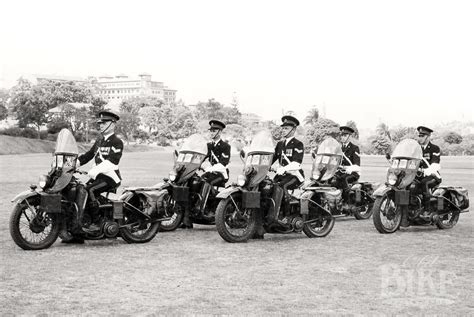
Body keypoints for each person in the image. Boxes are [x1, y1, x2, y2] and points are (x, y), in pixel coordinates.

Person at [253, 115, 304, 239]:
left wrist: (283, 168)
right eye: (283, 128)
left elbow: (297, 163)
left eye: (286, 128)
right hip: (281, 175)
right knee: (265, 187)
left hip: (294, 175)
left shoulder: (298, 144)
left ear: (293, 129)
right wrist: (260, 166)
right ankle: (261, 226)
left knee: (281, 187)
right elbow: (272, 158)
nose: (283, 130)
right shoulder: (280, 144)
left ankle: (285, 216)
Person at [78, 111, 123, 233]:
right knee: (80, 190)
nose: (101, 125)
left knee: (90, 190)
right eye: (100, 123)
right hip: (98, 176)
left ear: (113, 125)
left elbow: (113, 161)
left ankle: (97, 222)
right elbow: (89, 155)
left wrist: (95, 170)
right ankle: (83, 221)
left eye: (104, 123)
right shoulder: (99, 140)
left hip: (111, 177)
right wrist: (74, 163)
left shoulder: (117, 142)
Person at [182, 119, 231, 228]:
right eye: (211, 131)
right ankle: (187, 216)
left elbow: (224, 163)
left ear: (219, 132)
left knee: (207, 183)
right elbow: (202, 157)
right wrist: (195, 163)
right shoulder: (208, 145)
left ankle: (201, 208)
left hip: (221, 174)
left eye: (214, 131)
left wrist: (210, 168)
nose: (211, 133)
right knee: (194, 182)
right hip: (210, 172)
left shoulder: (225, 146)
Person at [334, 126, 361, 208]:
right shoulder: (338, 148)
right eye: (341, 135)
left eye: (345, 135)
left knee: (343, 179)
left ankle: (348, 203)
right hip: (340, 172)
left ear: (350, 136)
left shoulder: (354, 148)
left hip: (352, 173)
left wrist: (347, 168)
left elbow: (357, 165)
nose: (342, 137)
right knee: (330, 180)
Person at [416, 126, 441, 210]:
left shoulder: (435, 148)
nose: (420, 138)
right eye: (419, 136)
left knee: (424, 183)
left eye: (422, 136)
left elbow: (435, 164)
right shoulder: (417, 149)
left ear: (428, 137)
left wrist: (427, 170)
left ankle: (427, 209)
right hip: (419, 175)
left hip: (433, 176)